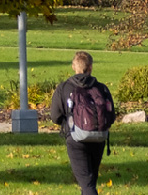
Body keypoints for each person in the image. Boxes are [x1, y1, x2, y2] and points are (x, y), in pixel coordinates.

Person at [49, 51, 116, 195]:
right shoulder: (101, 88)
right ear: (91, 67)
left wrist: (67, 123)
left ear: (73, 66)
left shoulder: (64, 88)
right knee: (90, 180)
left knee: (86, 183)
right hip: (99, 138)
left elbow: (55, 116)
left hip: (75, 138)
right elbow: (111, 115)